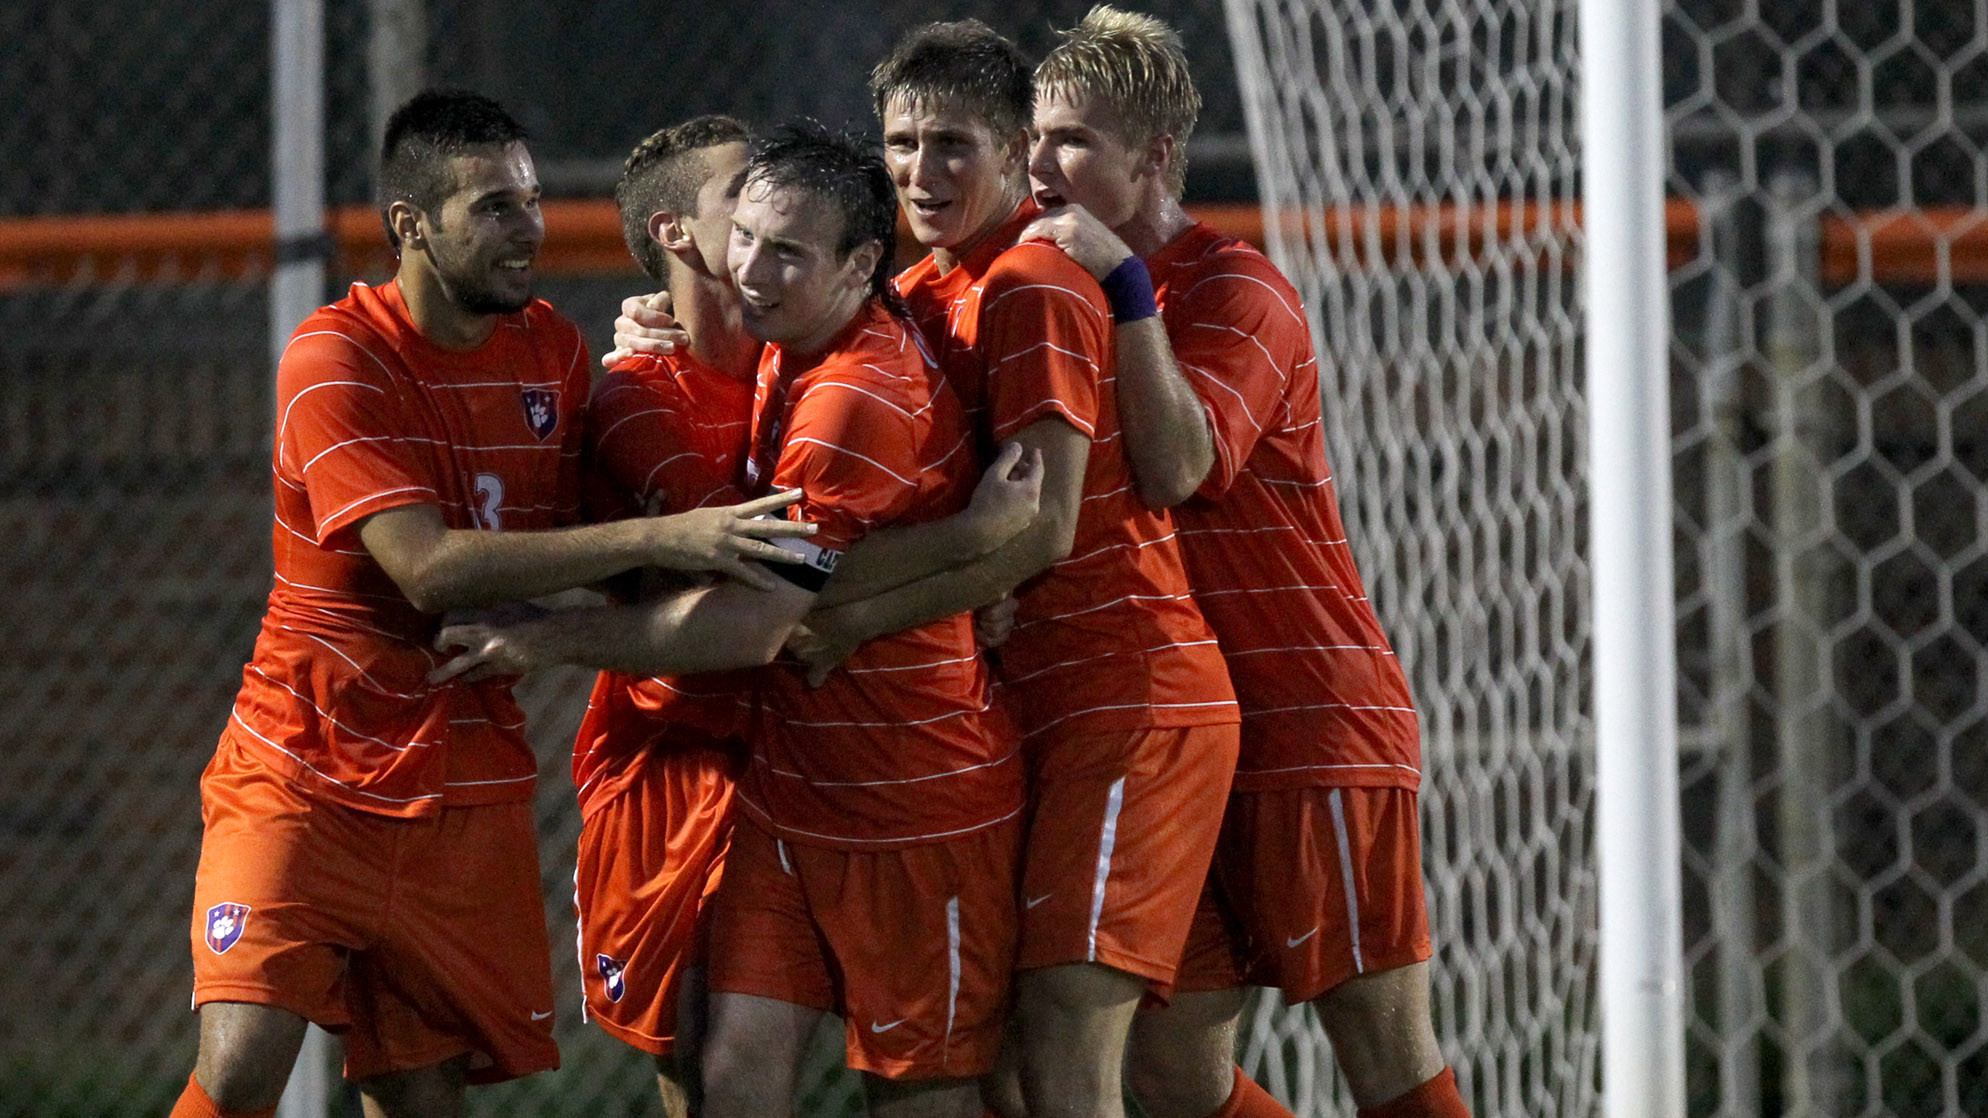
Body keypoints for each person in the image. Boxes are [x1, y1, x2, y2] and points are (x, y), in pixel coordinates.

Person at [171, 89, 813, 1118]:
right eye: (493, 209)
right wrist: (665, 536)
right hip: (308, 766)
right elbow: (424, 569)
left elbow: (592, 543)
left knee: (425, 1093)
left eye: (528, 200)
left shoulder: (558, 356)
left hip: (464, 779)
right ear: (409, 226)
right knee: (244, 1059)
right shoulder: (334, 356)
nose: (528, 228)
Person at [432, 125, 1031, 1118]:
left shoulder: (836, 381)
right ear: (686, 233)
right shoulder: (684, 379)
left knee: (950, 1089)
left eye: (784, 245)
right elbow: (759, 591)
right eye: (742, 223)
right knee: (720, 1074)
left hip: (904, 793)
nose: (755, 259)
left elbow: (762, 605)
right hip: (700, 763)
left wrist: (975, 552)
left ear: (853, 264)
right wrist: (967, 550)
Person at [1021, 10, 1472, 1118]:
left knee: (1382, 1050)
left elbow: (1181, 464)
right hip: (1179, 732)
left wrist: (1129, 290)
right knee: (1171, 1070)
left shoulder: (1234, 290)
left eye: (1071, 140)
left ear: (1153, 157)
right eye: (1032, 137)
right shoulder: (1054, 296)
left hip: (1307, 716)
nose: (1040, 166)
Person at [797, 23, 1242, 1118]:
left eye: (952, 143)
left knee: (1066, 1055)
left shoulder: (1032, 281)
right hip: (1028, 706)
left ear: (1012, 154)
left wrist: (846, 611)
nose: (920, 170)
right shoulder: (917, 291)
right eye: (901, 142)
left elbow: (1039, 529)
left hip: (1124, 697)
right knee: (1056, 1064)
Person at [570, 114, 760, 1118]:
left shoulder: (817, 359)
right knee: (700, 1072)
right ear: (678, 232)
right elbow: (750, 586)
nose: (774, 201)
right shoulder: (637, 398)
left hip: (826, 745)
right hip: (672, 766)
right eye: (744, 191)